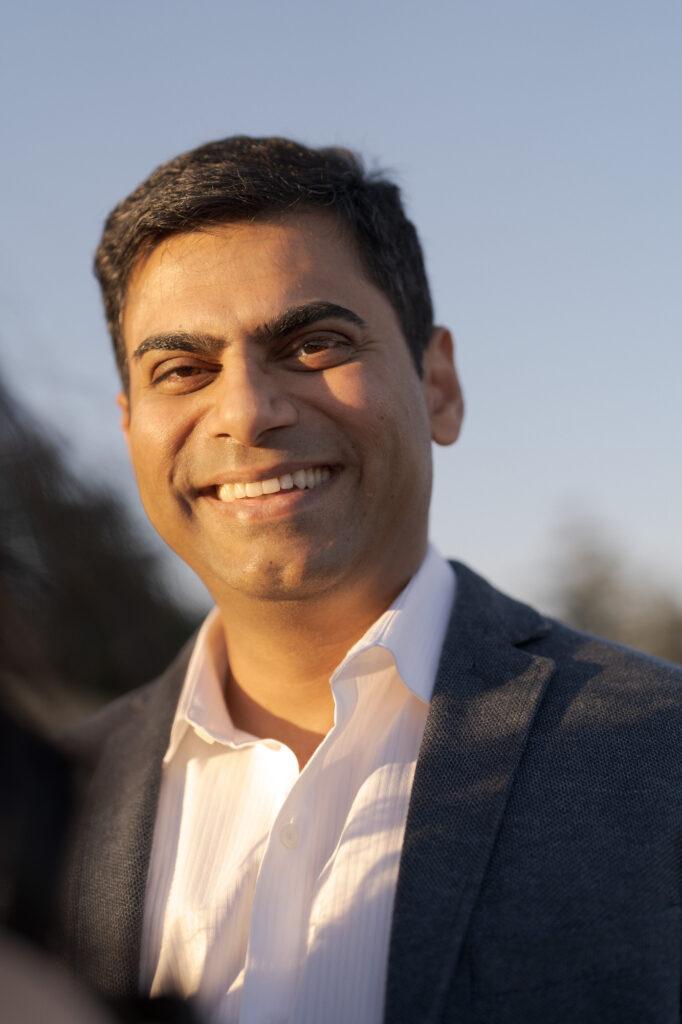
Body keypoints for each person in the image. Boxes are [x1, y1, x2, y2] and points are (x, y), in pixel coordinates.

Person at [56, 136, 682, 1024]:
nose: (246, 411)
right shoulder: (42, 808)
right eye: (183, 370)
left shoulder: (661, 752)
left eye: (313, 344)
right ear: (131, 430)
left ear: (438, 384)